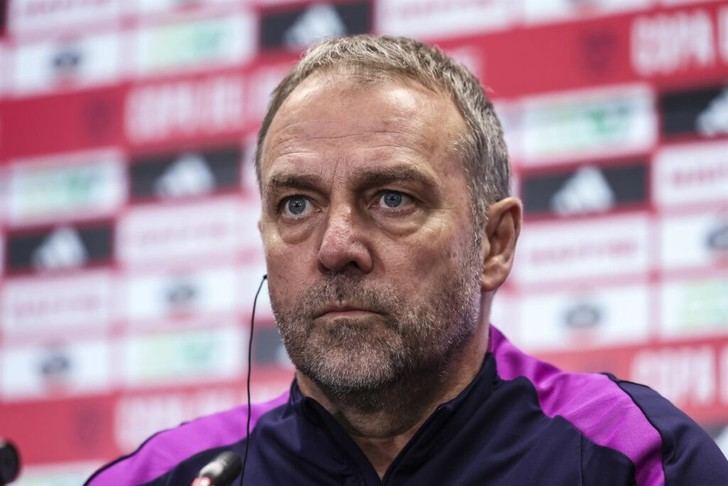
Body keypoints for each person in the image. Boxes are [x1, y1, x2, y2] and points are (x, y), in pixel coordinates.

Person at [86, 35, 728, 486]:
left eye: (392, 198)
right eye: (296, 205)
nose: (336, 247)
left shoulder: (632, 457)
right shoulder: (169, 477)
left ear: (494, 243)